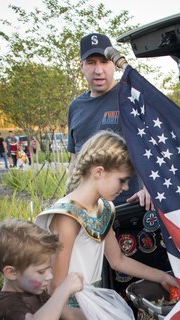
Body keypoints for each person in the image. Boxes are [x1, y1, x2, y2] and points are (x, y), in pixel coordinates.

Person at [36, 131, 179, 295]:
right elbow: (56, 287)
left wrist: (161, 277)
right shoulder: (67, 217)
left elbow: (118, 261)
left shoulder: (103, 209)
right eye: (122, 180)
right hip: (68, 306)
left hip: (93, 298)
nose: (125, 187)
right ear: (98, 172)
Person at [68, 32, 153, 209]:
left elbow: (149, 148)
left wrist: (148, 189)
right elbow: (75, 159)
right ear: (81, 66)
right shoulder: (76, 107)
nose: (98, 70)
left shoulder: (131, 97)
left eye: (104, 62)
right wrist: (69, 196)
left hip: (129, 206)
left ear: (113, 65)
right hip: (88, 209)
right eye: (91, 63)